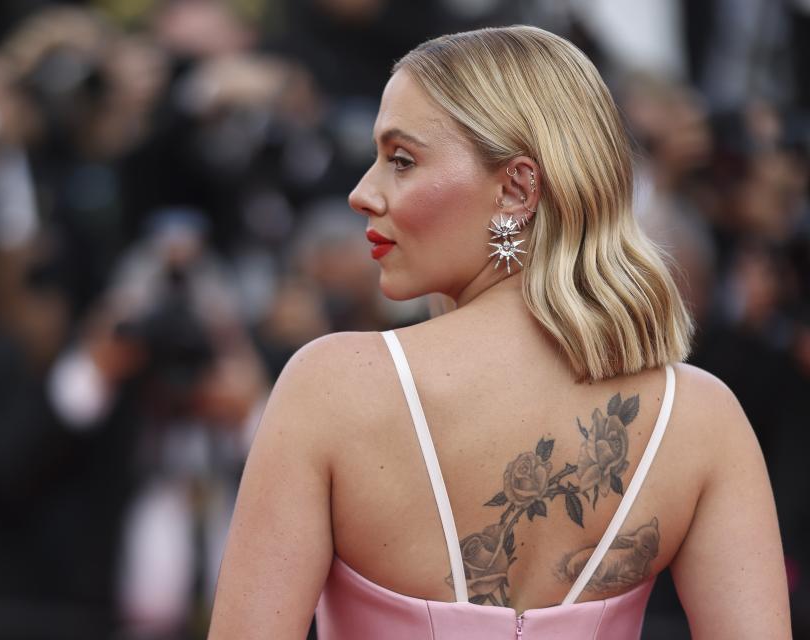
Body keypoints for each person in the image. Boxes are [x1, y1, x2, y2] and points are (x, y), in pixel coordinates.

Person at [207, 26, 792, 639]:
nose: (361, 193)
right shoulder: (701, 419)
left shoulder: (331, 388)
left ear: (516, 188)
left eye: (401, 160)